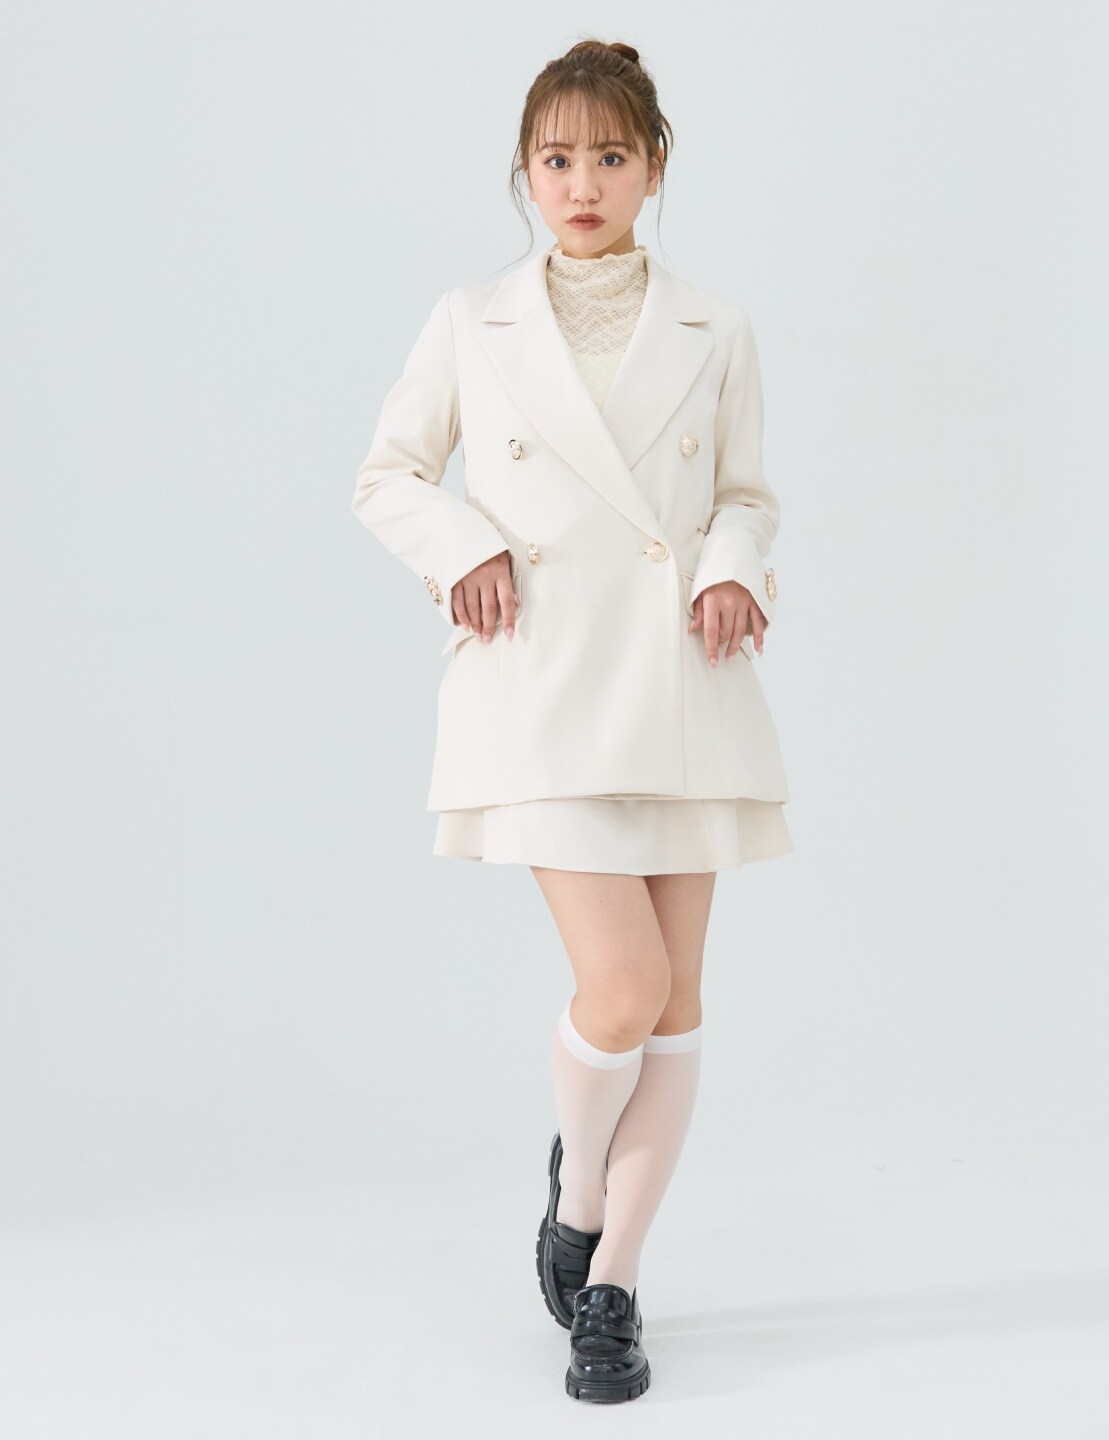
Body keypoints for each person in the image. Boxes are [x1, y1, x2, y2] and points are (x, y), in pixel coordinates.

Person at [352, 37, 792, 1404]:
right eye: (557, 159)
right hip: (539, 681)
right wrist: (465, 545)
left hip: (683, 680)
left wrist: (731, 568)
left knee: (679, 1000)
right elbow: (387, 475)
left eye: (610, 156)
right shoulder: (469, 320)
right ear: (525, 175)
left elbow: (746, 496)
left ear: (654, 169)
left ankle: (616, 1283)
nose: (583, 183)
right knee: (624, 987)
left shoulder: (717, 328)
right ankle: (582, 1186)